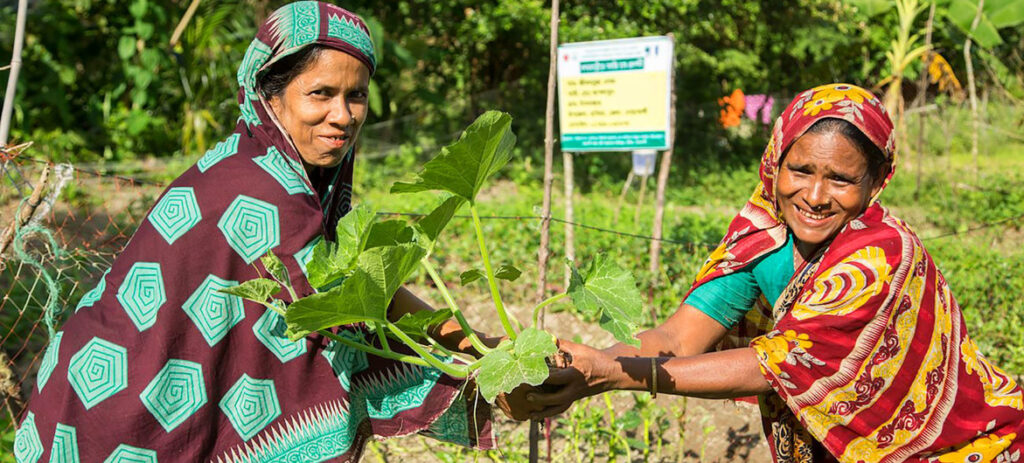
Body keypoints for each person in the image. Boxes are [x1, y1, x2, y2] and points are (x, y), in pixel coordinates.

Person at [13, 3, 501, 461]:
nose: (343, 115)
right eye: (321, 94)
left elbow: (351, 291)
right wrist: (491, 361)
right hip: (121, 420)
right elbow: (344, 311)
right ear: (270, 95)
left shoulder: (250, 156)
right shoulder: (263, 190)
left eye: (356, 95)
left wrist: (485, 352)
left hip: (96, 390)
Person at [527, 83, 1024, 462]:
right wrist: (580, 366)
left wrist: (613, 373)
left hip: (954, 446)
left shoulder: (882, 254)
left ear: (875, 182)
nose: (813, 196)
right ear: (774, 160)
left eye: (842, 180)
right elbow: (678, 338)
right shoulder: (762, 235)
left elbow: (774, 366)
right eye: (801, 170)